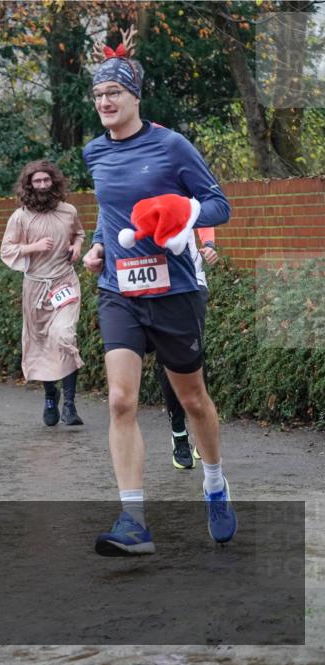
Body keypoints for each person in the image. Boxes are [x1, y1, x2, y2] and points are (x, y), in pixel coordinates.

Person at [80, 30, 235, 556]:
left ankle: (214, 481)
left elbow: (219, 206)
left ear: (135, 97)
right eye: (98, 95)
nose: (104, 102)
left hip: (175, 290)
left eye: (113, 94)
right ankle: (132, 519)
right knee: (121, 400)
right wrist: (100, 245)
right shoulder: (94, 151)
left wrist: (182, 217)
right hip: (119, 289)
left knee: (193, 400)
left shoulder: (171, 145)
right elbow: (109, 209)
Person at [0, 161, 86, 426]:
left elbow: (80, 233)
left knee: (64, 336)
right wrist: (32, 246)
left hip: (64, 284)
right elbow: (7, 250)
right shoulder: (20, 217)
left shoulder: (68, 211)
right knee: (41, 345)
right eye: (36, 182)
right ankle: (51, 397)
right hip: (36, 288)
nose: (42, 186)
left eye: (46, 181)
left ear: (54, 182)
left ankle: (70, 404)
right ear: (29, 185)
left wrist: (77, 246)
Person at [159, 228, 218, 469]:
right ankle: (179, 433)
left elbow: (202, 211)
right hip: (157, 283)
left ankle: (200, 428)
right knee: (167, 358)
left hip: (193, 281)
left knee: (193, 357)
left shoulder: (185, 189)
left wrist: (210, 244)